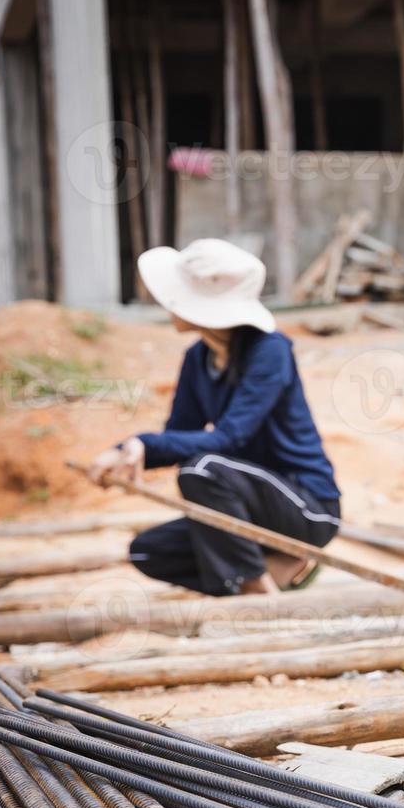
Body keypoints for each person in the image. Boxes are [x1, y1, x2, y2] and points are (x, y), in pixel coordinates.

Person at [88, 240, 342, 596]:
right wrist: (125, 455)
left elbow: (228, 438)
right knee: (147, 551)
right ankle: (265, 571)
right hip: (241, 505)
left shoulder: (270, 351)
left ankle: (256, 589)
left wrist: (142, 443)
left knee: (201, 469)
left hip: (307, 508)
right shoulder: (197, 358)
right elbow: (178, 436)